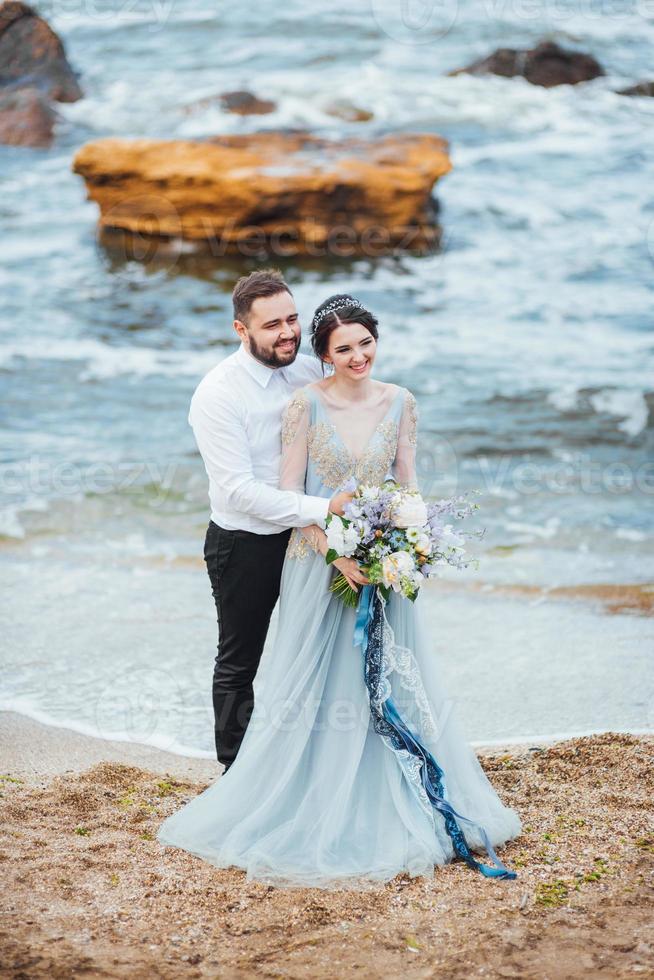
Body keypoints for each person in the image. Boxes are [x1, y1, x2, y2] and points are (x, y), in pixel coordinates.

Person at [158, 293, 522, 887]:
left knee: (386, 675)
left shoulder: (398, 400)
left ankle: (389, 782)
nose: (357, 356)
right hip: (277, 546)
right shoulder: (248, 396)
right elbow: (267, 489)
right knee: (265, 664)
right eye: (343, 347)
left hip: (376, 560)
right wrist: (337, 549)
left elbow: (406, 483)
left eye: (365, 343)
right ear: (322, 357)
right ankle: (252, 781)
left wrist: (407, 545)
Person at [187, 269, 352, 771]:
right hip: (246, 543)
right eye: (272, 325)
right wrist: (323, 508)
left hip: (311, 538)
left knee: (315, 647)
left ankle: (310, 758)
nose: (288, 333)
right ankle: (234, 769)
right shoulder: (218, 394)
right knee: (241, 660)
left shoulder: (306, 373)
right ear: (242, 331)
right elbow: (238, 491)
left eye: (293, 319)